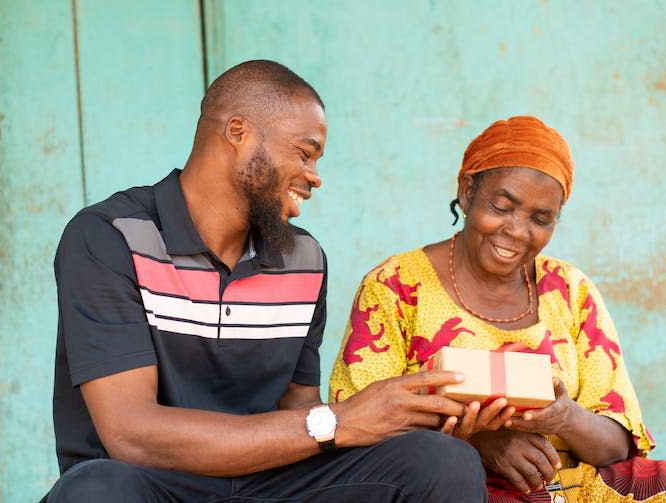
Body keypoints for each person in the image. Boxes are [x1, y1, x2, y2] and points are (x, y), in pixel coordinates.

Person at [43, 60, 489, 502]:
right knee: (96, 490)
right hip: (154, 483)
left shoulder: (305, 258)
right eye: (304, 152)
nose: (315, 176)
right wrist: (342, 419)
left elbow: (298, 411)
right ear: (238, 133)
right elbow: (132, 434)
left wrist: (408, 415)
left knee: (441, 462)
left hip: (271, 483)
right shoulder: (110, 237)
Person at [329, 115, 666, 502]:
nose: (518, 231)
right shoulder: (395, 286)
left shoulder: (572, 291)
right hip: (453, 487)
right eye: (502, 206)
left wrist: (564, 416)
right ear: (468, 190)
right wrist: (478, 442)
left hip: (570, 488)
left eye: (541, 219)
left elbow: (617, 447)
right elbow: (357, 429)